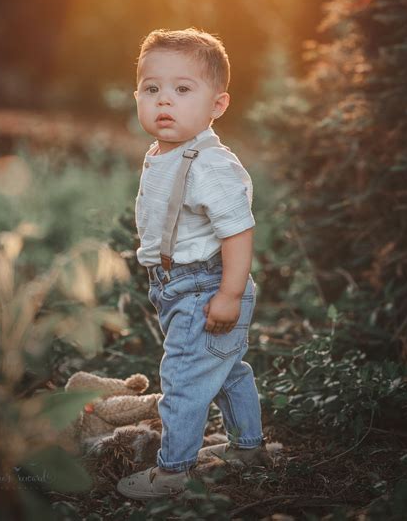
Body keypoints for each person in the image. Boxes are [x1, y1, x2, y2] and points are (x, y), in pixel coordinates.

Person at [117, 28, 269, 500]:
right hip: (179, 286)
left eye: (183, 90)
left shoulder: (210, 163)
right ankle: (249, 447)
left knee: (183, 381)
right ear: (138, 95)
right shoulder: (165, 151)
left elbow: (238, 232)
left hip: (206, 286)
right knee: (227, 369)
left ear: (217, 105)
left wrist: (227, 294)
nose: (165, 101)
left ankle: (173, 473)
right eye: (152, 89)